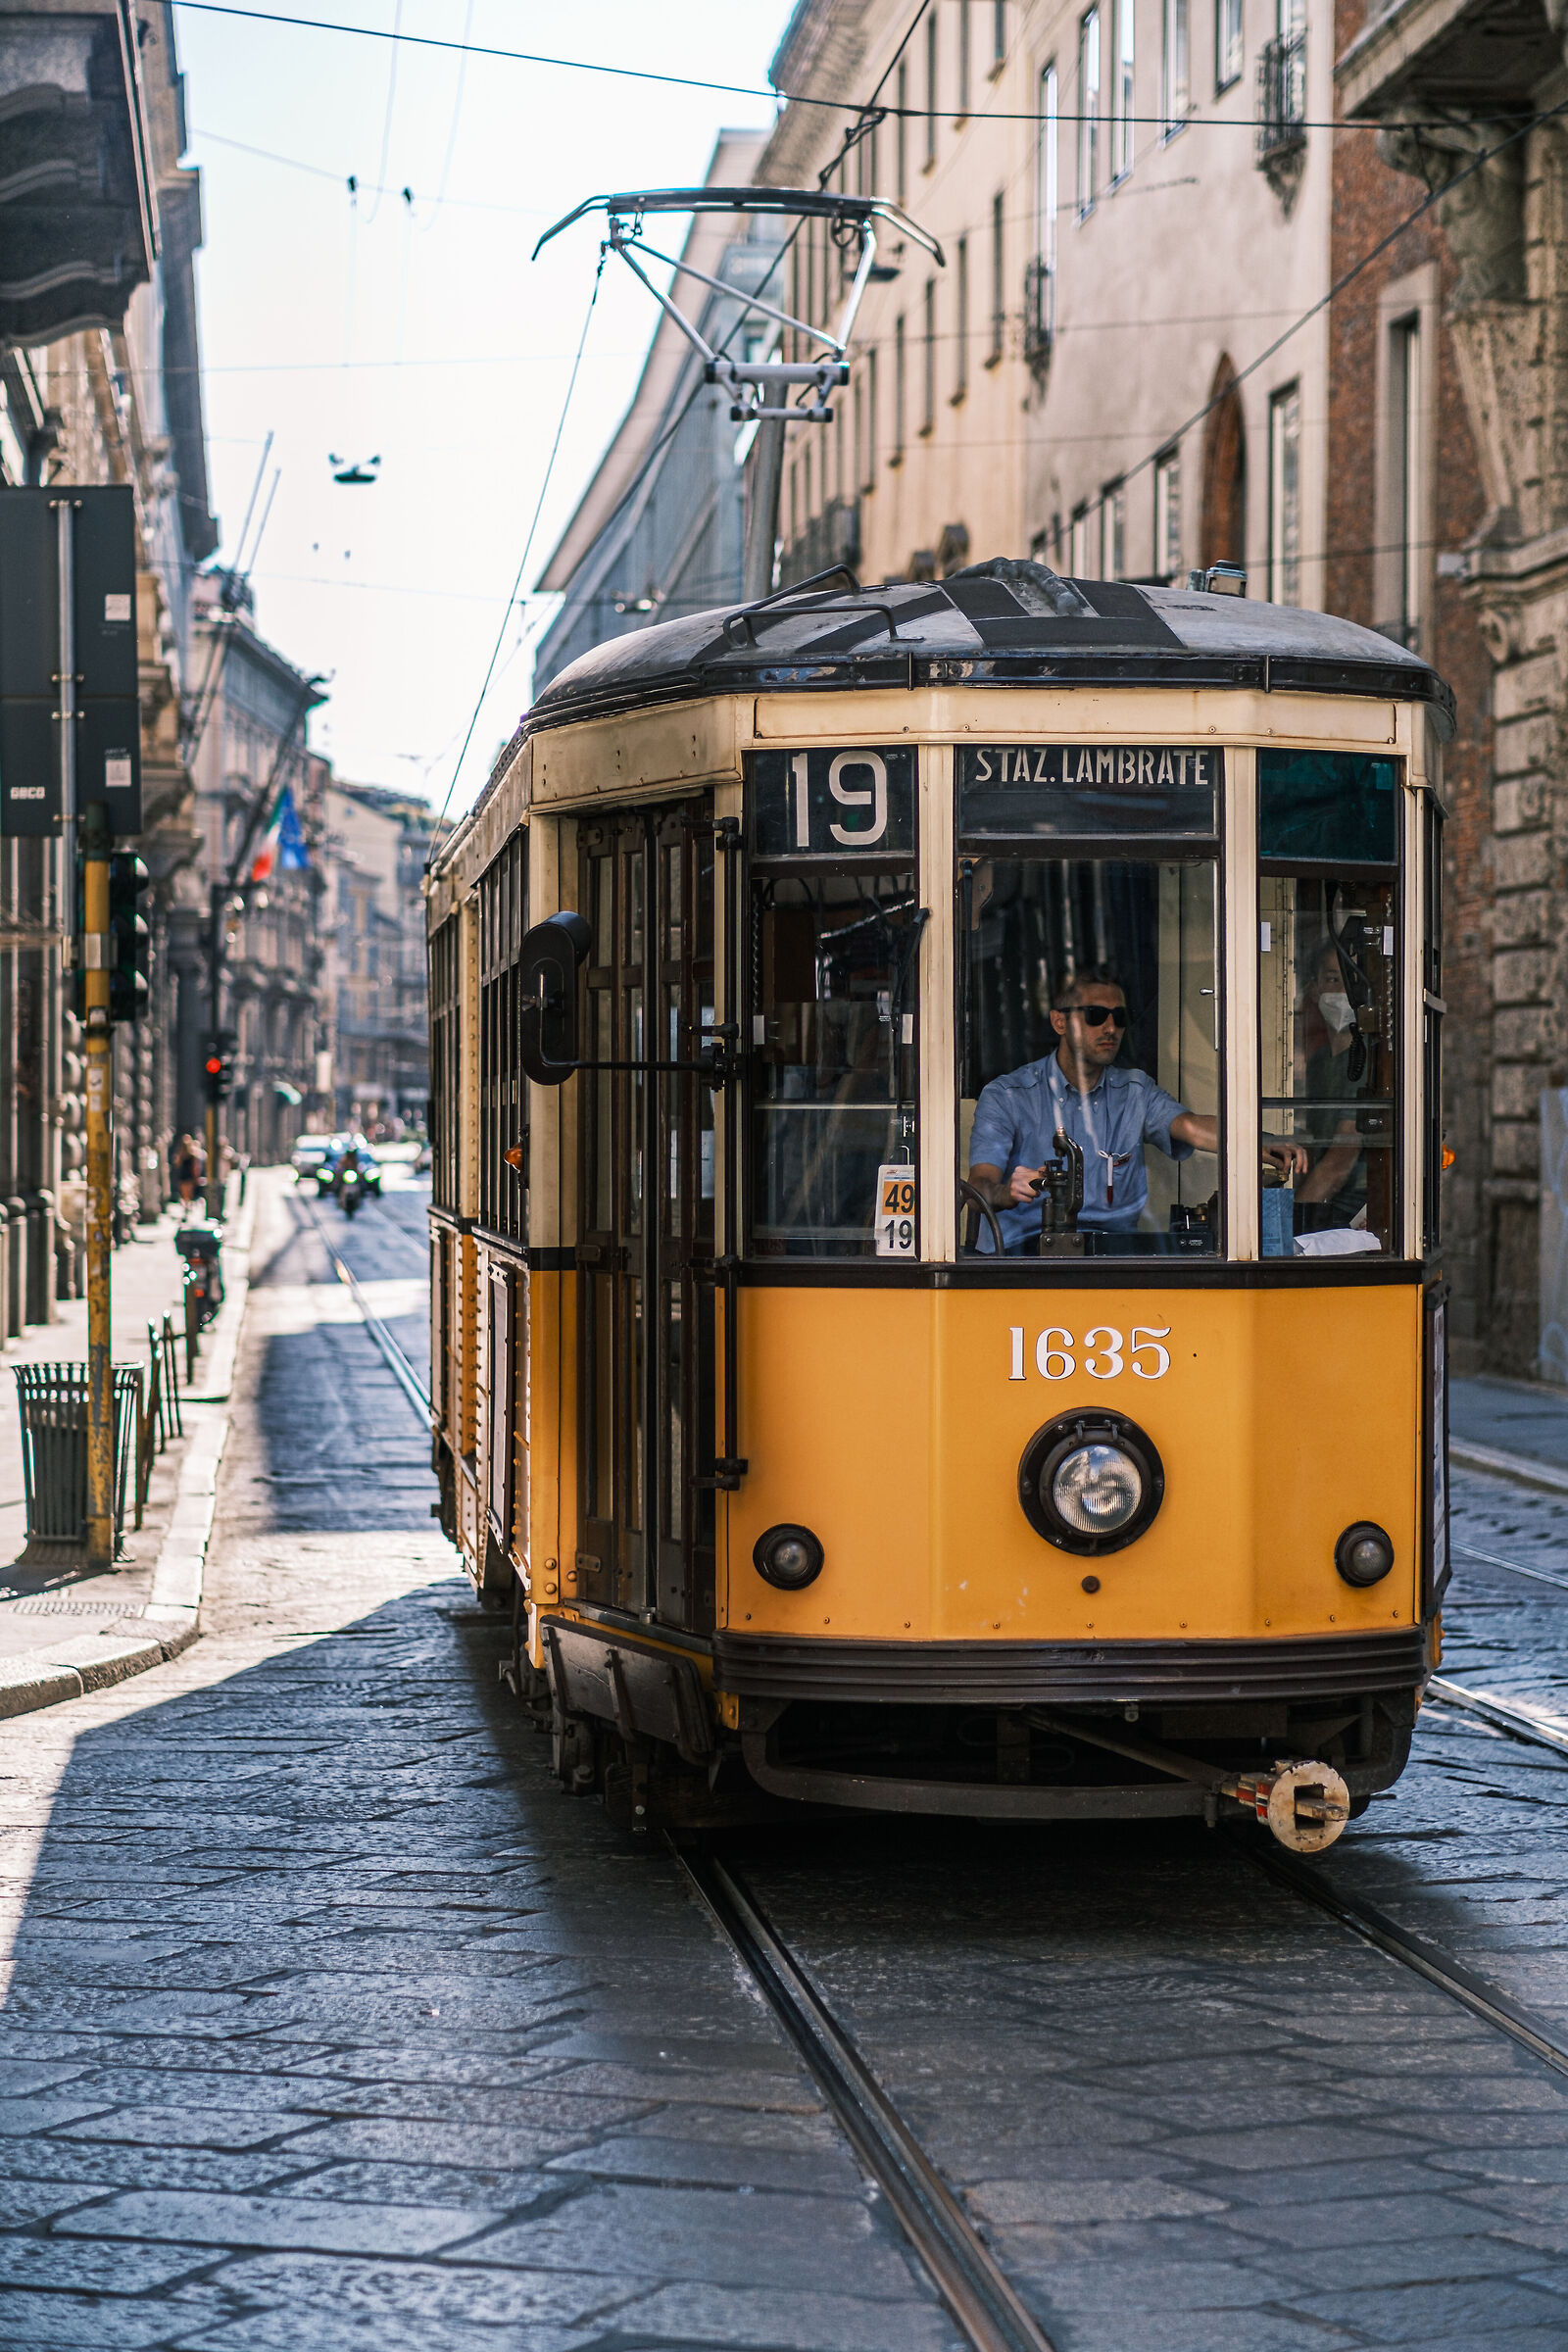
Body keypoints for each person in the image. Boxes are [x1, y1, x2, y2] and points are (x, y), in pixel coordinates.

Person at [968, 965, 1305, 1252]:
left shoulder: (1134, 1090)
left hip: (1115, 1257)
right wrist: (1007, 1193)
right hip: (1021, 1257)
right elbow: (977, 1189)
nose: (1110, 1028)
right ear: (1059, 1022)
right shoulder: (1007, 1095)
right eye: (1095, 1016)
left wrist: (1257, 1142)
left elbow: (1191, 1127)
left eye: (1120, 1017)